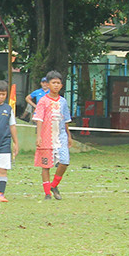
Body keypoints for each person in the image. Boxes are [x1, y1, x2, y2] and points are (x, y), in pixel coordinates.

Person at [33, 70, 72, 199]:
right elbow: (39, 119)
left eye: (58, 83)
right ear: (48, 85)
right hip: (46, 136)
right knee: (46, 165)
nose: (56, 85)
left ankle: (54, 185)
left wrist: (69, 136)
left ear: (61, 85)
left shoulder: (63, 102)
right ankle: (47, 193)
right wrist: (38, 136)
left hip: (60, 137)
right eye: (53, 82)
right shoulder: (43, 101)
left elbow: (66, 120)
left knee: (65, 162)